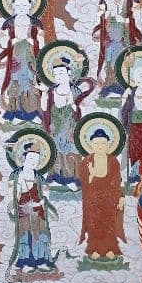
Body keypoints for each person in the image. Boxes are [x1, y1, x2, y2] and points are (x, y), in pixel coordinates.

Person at [7, 142, 59, 278]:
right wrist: (14, 204)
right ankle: (26, 262)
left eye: (36, 160)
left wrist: (42, 201)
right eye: (30, 158)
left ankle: (42, 261)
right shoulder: (16, 175)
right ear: (24, 158)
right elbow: (11, 192)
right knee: (25, 234)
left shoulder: (39, 177)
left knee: (41, 234)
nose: (33, 162)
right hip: (23, 209)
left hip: (37, 209)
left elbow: (46, 190)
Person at [78, 127, 127, 266]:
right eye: (96, 143)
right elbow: (84, 182)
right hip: (93, 198)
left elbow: (116, 182)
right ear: (91, 145)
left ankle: (110, 248)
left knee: (109, 223)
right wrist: (92, 175)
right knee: (94, 224)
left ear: (108, 145)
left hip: (109, 198)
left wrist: (121, 197)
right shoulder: (87, 161)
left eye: (103, 143)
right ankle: (94, 248)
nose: (100, 146)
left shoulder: (113, 161)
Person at [40, 57, 92, 186]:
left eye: (61, 72)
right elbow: (44, 109)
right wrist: (44, 94)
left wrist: (73, 105)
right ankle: (56, 177)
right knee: (55, 151)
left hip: (71, 128)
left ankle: (74, 178)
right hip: (55, 128)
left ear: (68, 73)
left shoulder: (75, 91)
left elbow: (81, 111)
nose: (59, 76)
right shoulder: (51, 91)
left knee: (72, 152)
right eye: (56, 74)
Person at [93, 0, 141, 97]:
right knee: (109, 61)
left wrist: (124, 20)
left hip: (126, 36)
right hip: (110, 35)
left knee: (124, 60)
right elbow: (99, 17)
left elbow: (138, 18)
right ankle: (110, 86)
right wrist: (107, 13)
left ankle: (125, 86)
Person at [0, 0, 44, 122]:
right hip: (15, 54)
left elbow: (42, 36)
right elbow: (2, 37)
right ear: (13, 6)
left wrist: (34, 41)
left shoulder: (35, 22)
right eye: (18, 5)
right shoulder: (9, 23)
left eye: (24, 5)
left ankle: (33, 112)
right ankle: (15, 112)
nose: (21, 8)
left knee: (31, 80)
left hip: (30, 54)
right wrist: (11, 41)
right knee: (15, 81)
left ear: (30, 6)